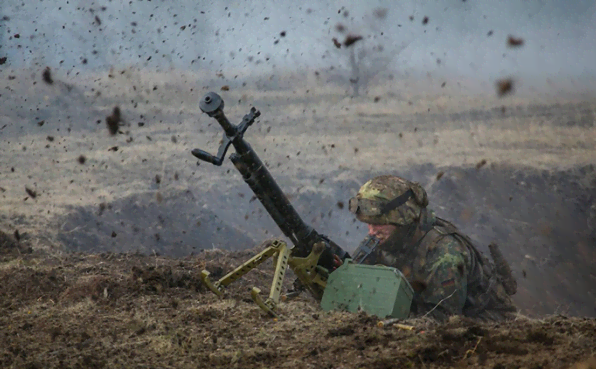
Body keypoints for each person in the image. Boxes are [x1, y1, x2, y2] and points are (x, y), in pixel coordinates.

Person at [348, 175, 518, 322]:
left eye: (378, 223)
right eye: (369, 223)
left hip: (484, 322)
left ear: (403, 220)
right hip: (420, 310)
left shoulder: (445, 254)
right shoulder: (386, 237)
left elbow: (442, 320)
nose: (371, 231)